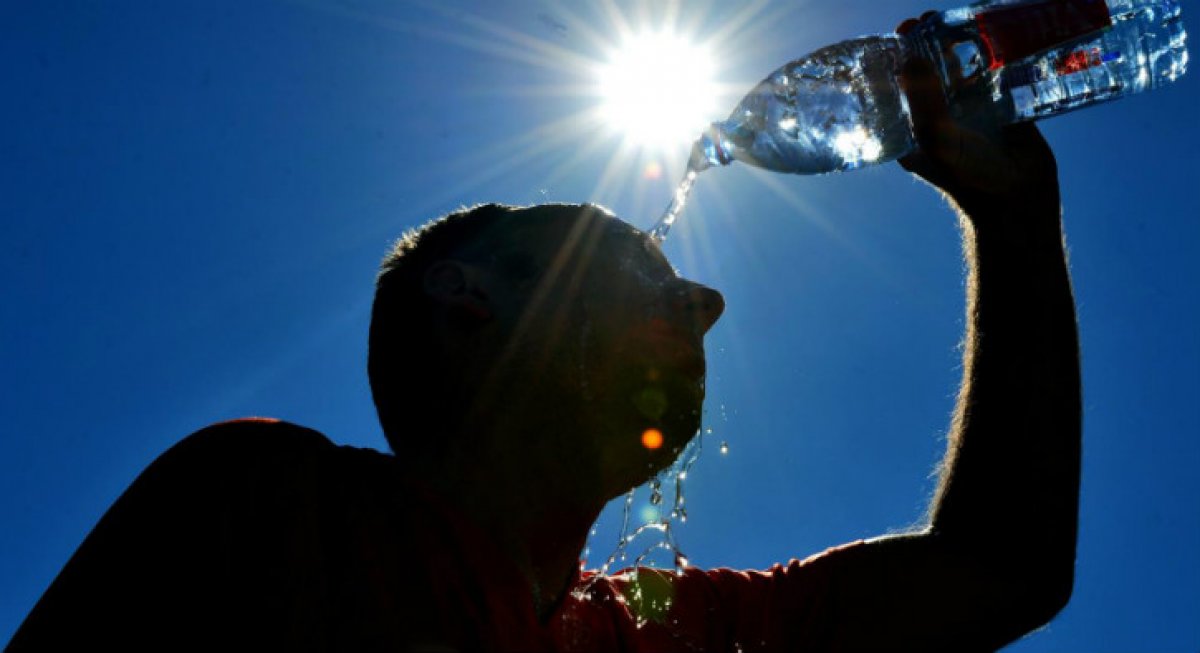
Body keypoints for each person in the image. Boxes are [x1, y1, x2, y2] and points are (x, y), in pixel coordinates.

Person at [6, 33, 1080, 653]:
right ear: (468, 299)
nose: (706, 304)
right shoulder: (266, 503)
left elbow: (999, 570)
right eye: (634, 264)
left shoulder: (663, 630)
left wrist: (1017, 223)